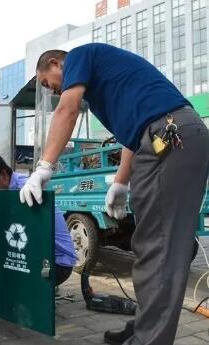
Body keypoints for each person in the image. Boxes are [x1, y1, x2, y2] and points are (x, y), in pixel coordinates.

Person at [20, 43, 209, 345]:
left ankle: (150, 339)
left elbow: (66, 110)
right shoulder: (105, 90)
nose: (53, 90)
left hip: (171, 137)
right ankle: (145, 328)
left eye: (47, 82)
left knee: (161, 247)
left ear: (56, 63)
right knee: (148, 245)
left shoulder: (81, 56)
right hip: (161, 138)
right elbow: (132, 136)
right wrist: (120, 184)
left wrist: (44, 167)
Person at [0, 150, 77, 286]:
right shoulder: (13, 188)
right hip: (44, 256)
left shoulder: (23, 191)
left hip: (57, 264)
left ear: (3, 176)